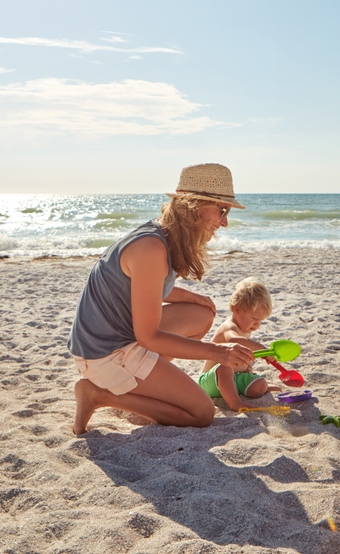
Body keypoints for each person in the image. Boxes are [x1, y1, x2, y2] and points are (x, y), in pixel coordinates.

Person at [68, 163, 256, 435]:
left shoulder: (164, 236)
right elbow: (148, 337)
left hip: (118, 336)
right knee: (202, 413)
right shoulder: (151, 248)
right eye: (222, 210)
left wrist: (193, 297)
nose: (224, 221)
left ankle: (145, 382)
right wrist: (219, 353)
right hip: (104, 354)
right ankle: (100, 395)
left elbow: (145, 289)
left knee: (200, 313)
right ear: (194, 207)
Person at [197, 277, 280, 411]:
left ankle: (254, 388)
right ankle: (235, 403)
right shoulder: (229, 327)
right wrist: (263, 349)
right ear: (237, 309)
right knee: (225, 368)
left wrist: (246, 366)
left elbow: (242, 353)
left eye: (260, 321)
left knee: (259, 386)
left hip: (234, 378)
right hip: (211, 381)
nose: (257, 325)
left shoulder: (246, 329)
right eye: (254, 319)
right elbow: (233, 341)